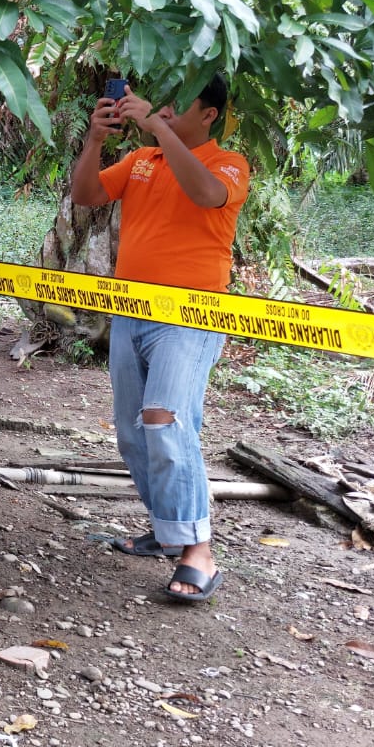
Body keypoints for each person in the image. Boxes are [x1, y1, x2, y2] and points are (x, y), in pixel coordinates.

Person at [72, 76, 248, 603]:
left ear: (209, 115)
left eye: (178, 103)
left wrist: (154, 125)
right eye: (161, 102)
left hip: (190, 316)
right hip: (130, 312)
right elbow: (86, 195)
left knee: (165, 417)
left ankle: (199, 552)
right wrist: (95, 141)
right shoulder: (144, 159)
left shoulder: (229, 164)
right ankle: (169, 529)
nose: (165, 110)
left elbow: (205, 194)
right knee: (133, 432)